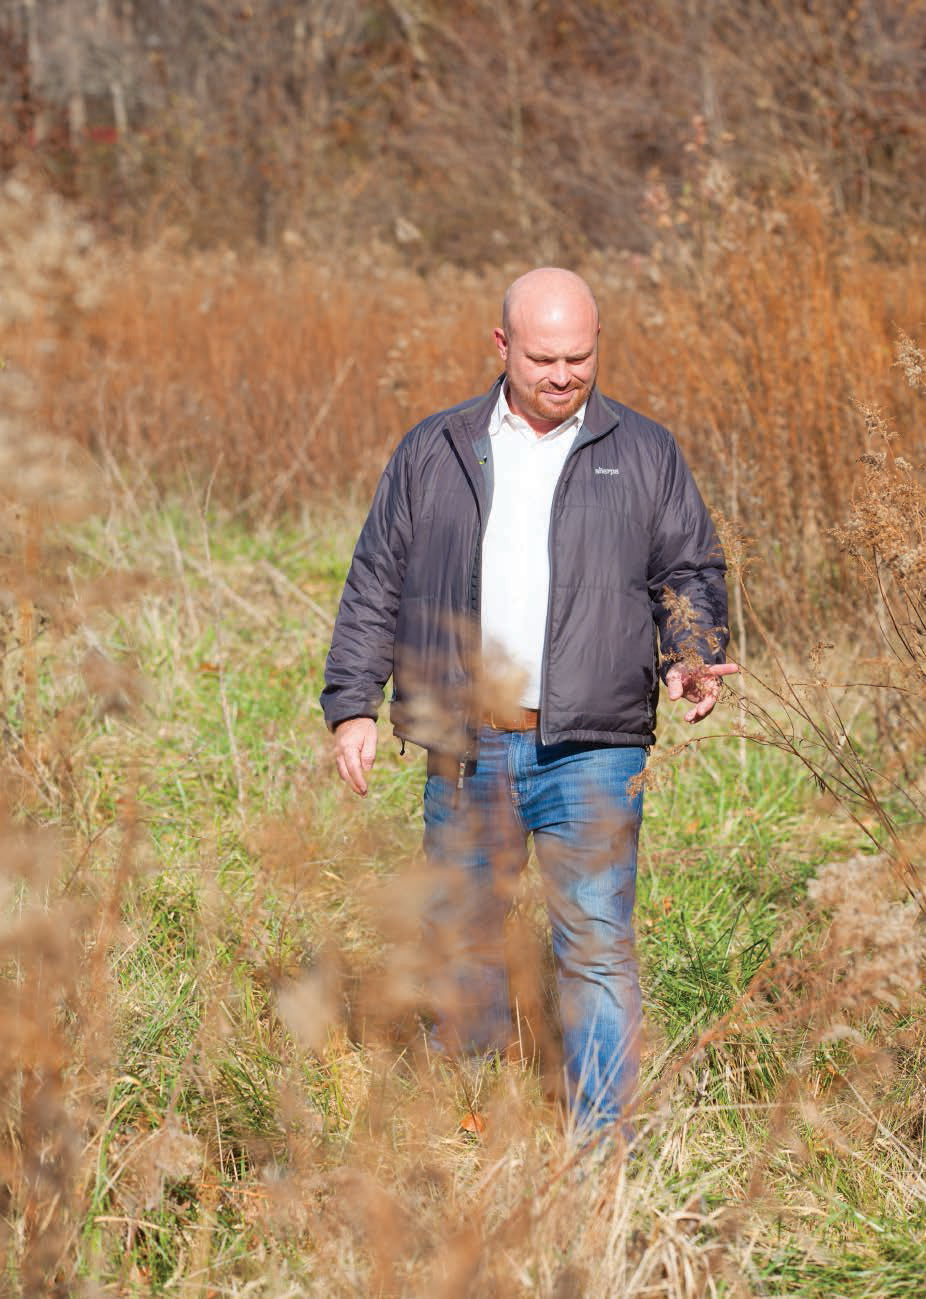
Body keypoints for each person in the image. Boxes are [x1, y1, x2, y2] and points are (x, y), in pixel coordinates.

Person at [321, 267, 737, 1137]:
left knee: (593, 945)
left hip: (593, 745)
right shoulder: (434, 449)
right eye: (543, 356)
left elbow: (690, 571)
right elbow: (376, 580)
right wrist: (351, 703)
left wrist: (695, 653)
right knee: (463, 941)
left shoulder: (645, 450)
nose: (562, 374)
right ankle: (473, 1128)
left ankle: (602, 1145)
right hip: (466, 742)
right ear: (502, 346)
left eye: (579, 356)